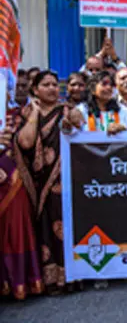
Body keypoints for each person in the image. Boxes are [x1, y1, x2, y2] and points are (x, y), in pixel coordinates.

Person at [15, 71, 83, 295]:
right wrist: (34, 112)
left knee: (66, 227)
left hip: (64, 183)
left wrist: (74, 122)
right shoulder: (25, 113)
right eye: (46, 85)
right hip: (36, 185)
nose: (53, 88)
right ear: (35, 89)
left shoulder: (67, 111)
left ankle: (69, 277)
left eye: (55, 84)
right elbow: (25, 142)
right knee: (43, 228)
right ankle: (48, 279)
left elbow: (80, 132)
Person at [0, 111, 43, 300]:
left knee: (16, 227)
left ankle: (19, 281)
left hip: (17, 177)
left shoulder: (23, 112)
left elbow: (27, 143)